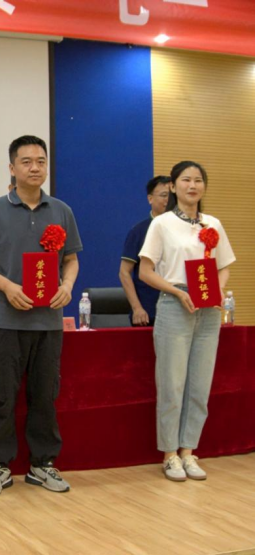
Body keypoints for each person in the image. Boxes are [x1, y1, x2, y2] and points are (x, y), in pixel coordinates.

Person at [0, 135, 82, 497]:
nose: (35, 168)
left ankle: (42, 464)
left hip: (48, 322)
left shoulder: (61, 211)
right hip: (5, 320)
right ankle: (0, 466)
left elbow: (71, 259)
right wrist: (8, 287)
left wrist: (67, 285)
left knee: (45, 395)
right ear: (12, 167)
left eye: (41, 161)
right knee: (3, 395)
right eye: (26, 161)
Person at [139, 161, 235, 481]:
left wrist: (216, 292)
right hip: (175, 302)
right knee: (172, 383)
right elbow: (145, 271)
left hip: (208, 309)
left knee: (200, 384)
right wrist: (177, 292)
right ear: (173, 186)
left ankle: (189, 451)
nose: (192, 186)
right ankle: (169, 454)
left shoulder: (213, 223)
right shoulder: (162, 224)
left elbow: (223, 265)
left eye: (198, 180)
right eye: (185, 180)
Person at [118, 176, 170, 326]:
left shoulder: (184, 229)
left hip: (180, 310)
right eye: (164, 195)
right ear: (150, 199)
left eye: (172, 195)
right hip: (148, 312)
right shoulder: (139, 231)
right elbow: (124, 272)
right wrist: (137, 308)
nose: (168, 200)